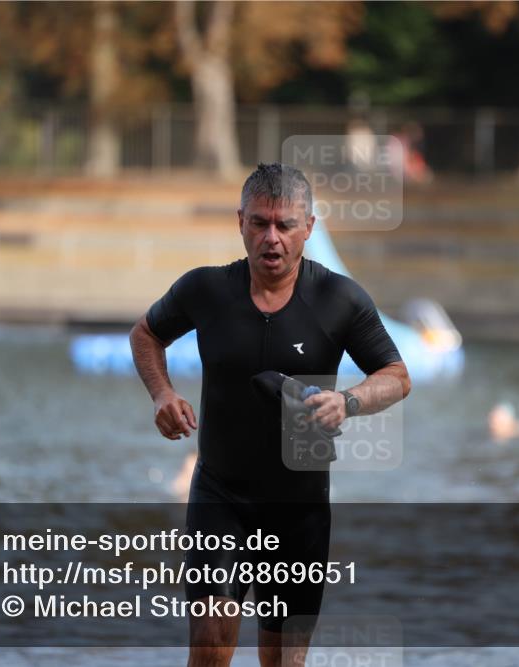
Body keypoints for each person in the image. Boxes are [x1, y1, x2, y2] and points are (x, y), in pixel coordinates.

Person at [130, 163, 410, 667]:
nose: (272, 238)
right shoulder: (206, 290)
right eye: (259, 223)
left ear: (310, 227)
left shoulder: (339, 299)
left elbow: (396, 375)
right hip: (221, 494)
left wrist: (346, 401)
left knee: (283, 661)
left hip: (299, 505)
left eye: (285, 225)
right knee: (211, 644)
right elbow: (146, 333)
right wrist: (162, 393)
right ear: (240, 222)